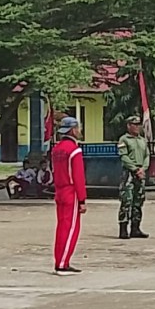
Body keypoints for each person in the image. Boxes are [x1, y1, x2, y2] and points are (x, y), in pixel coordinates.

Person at [50, 116, 87, 275]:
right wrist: (82, 199)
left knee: (61, 227)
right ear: (72, 130)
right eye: (77, 128)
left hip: (59, 191)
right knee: (71, 228)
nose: (79, 131)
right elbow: (78, 177)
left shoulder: (56, 149)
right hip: (71, 192)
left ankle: (59, 259)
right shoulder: (74, 150)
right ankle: (63, 263)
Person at [117, 115, 150, 240]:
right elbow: (124, 157)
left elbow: (147, 156)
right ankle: (123, 228)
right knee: (127, 200)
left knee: (138, 200)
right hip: (129, 173)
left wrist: (143, 169)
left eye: (138, 125)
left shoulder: (142, 140)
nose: (137, 127)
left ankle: (135, 228)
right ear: (128, 126)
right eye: (134, 125)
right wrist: (135, 169)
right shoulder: (124, 140)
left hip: (140, 172)